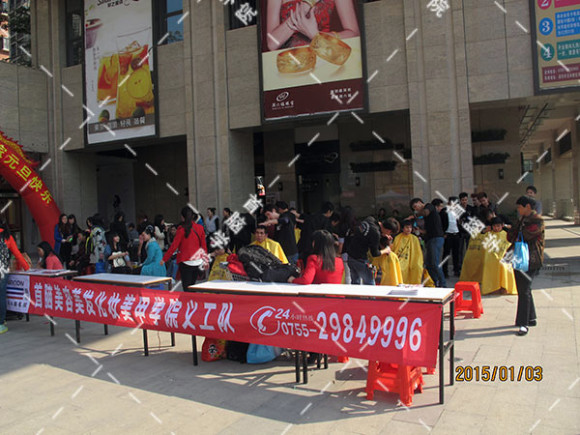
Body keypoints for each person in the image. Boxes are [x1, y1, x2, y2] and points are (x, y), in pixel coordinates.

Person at [508, 196, 545, 336]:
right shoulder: (522, 220)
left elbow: (526, 234)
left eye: (519, 207)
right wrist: (513, 230)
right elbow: (510, 236)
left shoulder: (538, 221)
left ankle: (523, 324)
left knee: (524, 290)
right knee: (524, 289)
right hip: (519, 258)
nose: (518, 209)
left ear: (528, 206)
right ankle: (531, 318)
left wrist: (514, 230)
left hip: (532, 260)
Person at [266, 0, 360, 51]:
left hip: (324, 55)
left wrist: (316, 35)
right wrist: (307, 5)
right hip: (291, 63)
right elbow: (272, 43)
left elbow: (354, 34)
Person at [161, 207, 208, 291]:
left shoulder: (181, 229)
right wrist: (206, 261)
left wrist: (164, 259)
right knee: (193, 286)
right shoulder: (200, 228)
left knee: (186, 287)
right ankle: (193, 302)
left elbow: (174, 246)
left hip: (185, 261)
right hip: (197, 261)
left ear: (183, 217)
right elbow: (203, 246)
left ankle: (188, 303)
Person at [0, 220, 30, 334]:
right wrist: (27, 268)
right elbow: (17, 254)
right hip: (3, 270)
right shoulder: (8, 237)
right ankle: (1, 323)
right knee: (1, 296)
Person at [409, 198, 447, 287]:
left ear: (419, 203)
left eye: (415, 207)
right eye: (414, 209)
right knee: (429, 265)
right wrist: (420, 231)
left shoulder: (429, 206)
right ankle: (436, 282)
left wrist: (415, 215)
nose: (416, 209)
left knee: (435, 262)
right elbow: (427, 231)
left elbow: (425, 212)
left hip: (436, 238)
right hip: (430, 239)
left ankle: (443, 284)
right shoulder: (427, 218)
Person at [344, 216, 386, 285]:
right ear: (387, 230)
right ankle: (370, 296)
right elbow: (375, 253)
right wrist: (385, 250)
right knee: (370, 283)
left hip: (350, 256)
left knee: (355, 282)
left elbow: (367, 235)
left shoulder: (369, 219)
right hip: (361, 259)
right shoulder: (376, 233)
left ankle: (354, 296)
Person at [392, 220, 425, 284]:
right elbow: (395, 250)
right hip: (401, 259)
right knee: (401, 268)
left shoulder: (414, 238)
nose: (409, 229)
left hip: (413, 259)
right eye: (407, 227)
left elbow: (417, 253)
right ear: (403, 228)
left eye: (410, 227)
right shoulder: (397, 238)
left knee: (417, 268)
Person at [443, 196, 463, 277]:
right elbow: (442, 223)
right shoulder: (444, 211)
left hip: (456, 234)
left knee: (456, 254)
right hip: (448, 234)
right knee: (446, 254)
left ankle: (456, 270)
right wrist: (443, 233)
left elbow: (460, 222)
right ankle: (445, 271)